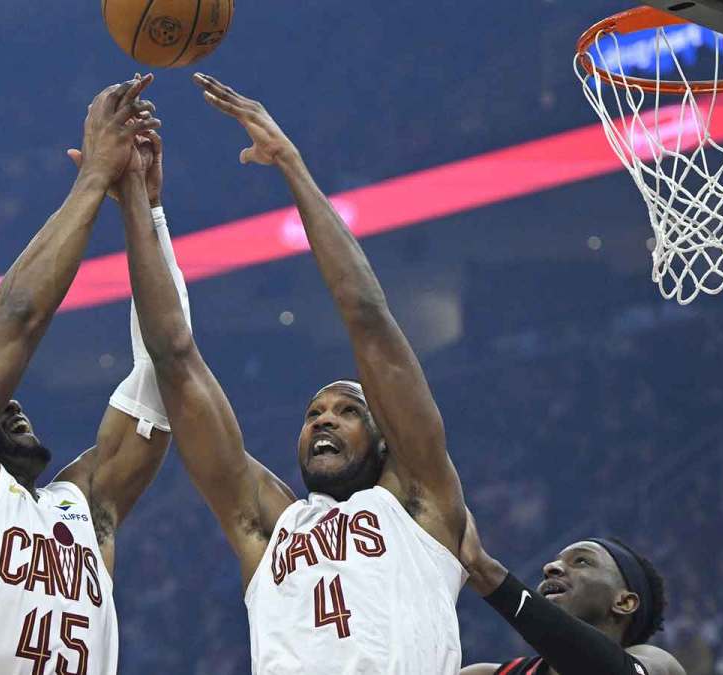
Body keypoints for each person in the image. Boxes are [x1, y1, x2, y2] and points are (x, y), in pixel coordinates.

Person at [118, 72, 470, 674]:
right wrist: (142, 206)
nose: (323, 420)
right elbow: (174, 359)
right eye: (314, 413)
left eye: (348, 410)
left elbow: (367, 316)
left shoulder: (421, 504)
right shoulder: (270, 527)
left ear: (388, 440)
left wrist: (290, 163)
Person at [0, 74, 186, 675]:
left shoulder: (84, 506)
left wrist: (143, 205)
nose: (11, 404)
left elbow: (168, 371)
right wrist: (93, 178)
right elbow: (17, 320)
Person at [459, 511, 686, 675]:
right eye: (555, 561)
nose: (550, 568)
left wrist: (488, 574)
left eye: (581, 561)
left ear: (624, 602)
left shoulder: (662, 666)